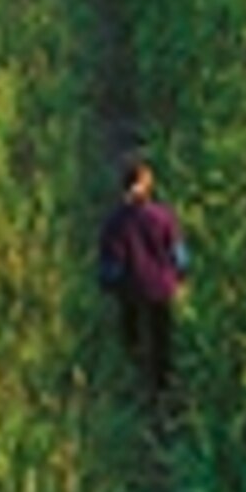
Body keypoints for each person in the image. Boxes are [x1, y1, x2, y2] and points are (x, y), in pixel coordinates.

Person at [97, 155, 188, 400]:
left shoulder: (115, 223)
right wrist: (180, 279)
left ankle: (136, 382)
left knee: (131, 335)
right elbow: (179, 255)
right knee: (162, 337)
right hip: (162, 287)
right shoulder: (165, 217)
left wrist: (107, 285)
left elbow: (112, 265)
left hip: (131, 288)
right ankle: (163, 385)